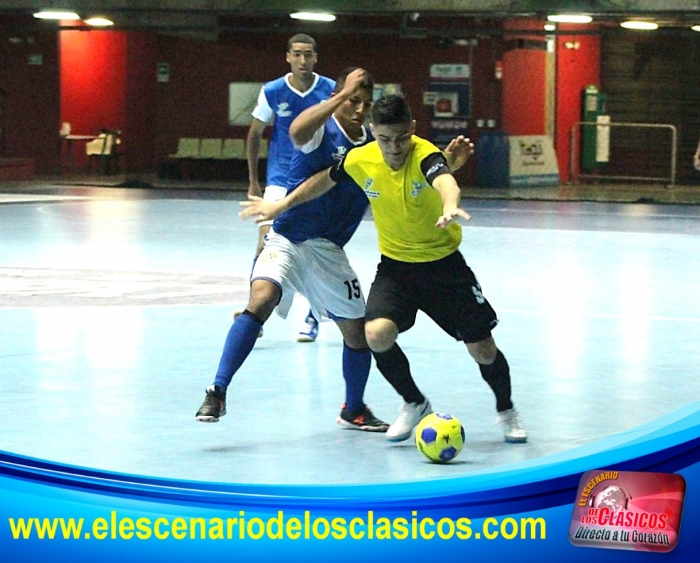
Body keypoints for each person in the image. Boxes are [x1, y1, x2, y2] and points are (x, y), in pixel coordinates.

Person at [240, 94, 527, 445]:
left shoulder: (426, 155)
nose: (394, 147)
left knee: (482, 348)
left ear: (414, 130)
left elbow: (444, 180)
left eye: (402, 138)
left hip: (444, 269)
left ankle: (506, 409)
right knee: (375, 334)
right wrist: (281, 204)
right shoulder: (361, 158)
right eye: (385, 138)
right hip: (397, 270)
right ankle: (414, 402)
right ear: (372, 130)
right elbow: (325, 179)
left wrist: (451, 204)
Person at [196, 67, 389, 432]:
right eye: (353, 100)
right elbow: (297, 130)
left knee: (357, 334)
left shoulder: (370, 146)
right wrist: (335, 98)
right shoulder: (321, 129)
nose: (360, 109)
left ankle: (354, 408)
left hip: (328, 250)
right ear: (338, 97)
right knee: (261, 298)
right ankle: (217, 389)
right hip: (287, 236)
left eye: (365, 103)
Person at [244, 33, 335, 342]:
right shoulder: (272, 91)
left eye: (308, 55)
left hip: (313, 178)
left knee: (312, 248)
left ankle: (312, 317)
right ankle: (254, 316)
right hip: (280, 177)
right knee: (264, 244)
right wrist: (254, 179)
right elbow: (255, 133)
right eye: (297, 54)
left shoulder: (329, 90)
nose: (303, 60)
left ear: (316, 57)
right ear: (287, 57)